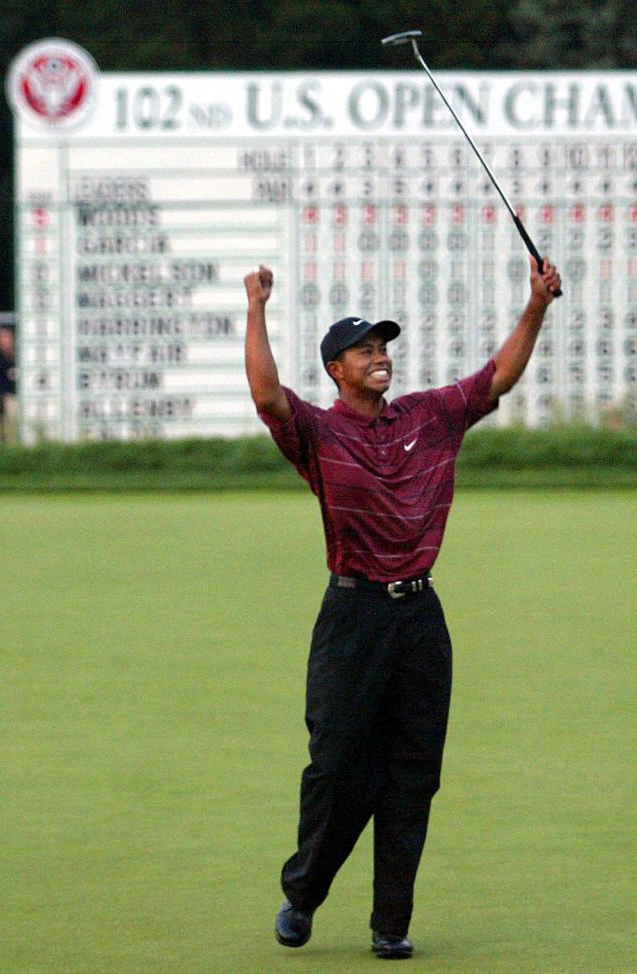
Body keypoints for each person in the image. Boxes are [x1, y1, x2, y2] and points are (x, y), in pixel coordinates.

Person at [244, 254, 562, 960]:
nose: (381, 357)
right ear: (337, 370)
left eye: (384, 348)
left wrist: (536, 303)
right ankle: (304, 893)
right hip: (352, 616)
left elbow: (496, 379)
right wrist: (258, 306)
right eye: (365, 350)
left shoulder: (430, 416)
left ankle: (391, 922)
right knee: (337, 769)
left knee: (414, 774)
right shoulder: (318, 434)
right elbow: (267, 395)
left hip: (420, 617)